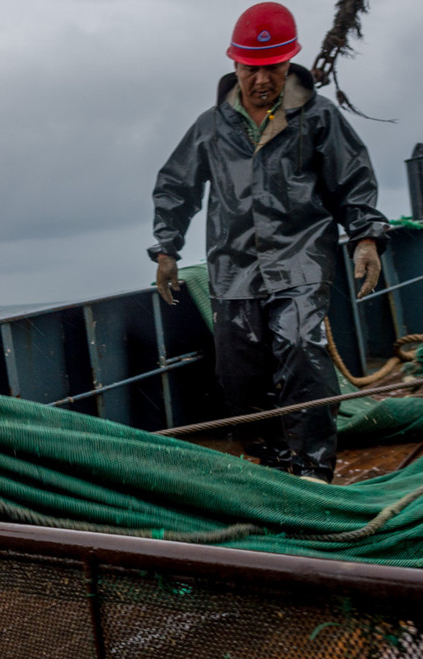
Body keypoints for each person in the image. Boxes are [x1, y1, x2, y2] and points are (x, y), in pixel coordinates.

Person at [149, 2, 387, 483]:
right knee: (239, 372)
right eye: (252, 68)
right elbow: (177, 186)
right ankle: (274, 461)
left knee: (300, 349)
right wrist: (166, 249)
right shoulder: (210, 126)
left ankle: (314, 468)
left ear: (289, 64)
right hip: (233, 267)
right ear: (234, 65)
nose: (262, 80)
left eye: (273, 68)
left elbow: (354, 181)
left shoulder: (320, 117)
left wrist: (365, 239)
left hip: (300, 258)